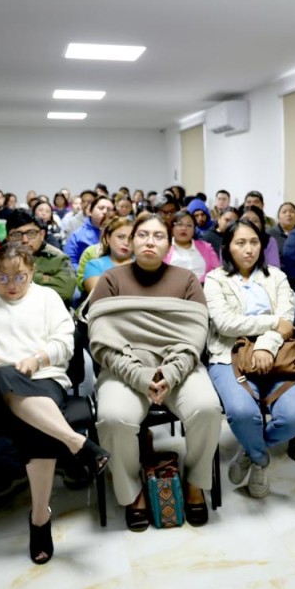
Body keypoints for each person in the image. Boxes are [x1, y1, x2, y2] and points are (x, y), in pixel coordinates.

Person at [0, 244, 109, 564]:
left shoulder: (47, 298)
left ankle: (40, 520)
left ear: (31, 273)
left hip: (43, 378)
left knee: (37, 426)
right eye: (2, 277)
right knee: (3, 375)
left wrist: (38, 358)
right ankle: (76, 443)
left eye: (19, 277)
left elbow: (64, 342)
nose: (11, 285)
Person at [87, 213, 222, 531]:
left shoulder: (186, 279)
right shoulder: (111, 280)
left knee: (207, 408)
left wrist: (171, 373)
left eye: (158, 236)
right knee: (112, 417)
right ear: (130, 241)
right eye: (142, 235)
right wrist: (140, 376)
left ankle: (195, 482)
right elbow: (102, 343)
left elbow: (195, 337)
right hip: (125, 368)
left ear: (169, 243)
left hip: (180, 365)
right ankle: (132, 491)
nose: (150, 241)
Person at [204, 219, 295, 498]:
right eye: (240, 243)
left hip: (277, 354)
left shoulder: (277, 277)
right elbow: (225, 324)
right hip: (228, 354)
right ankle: (260, 459)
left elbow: (289, 321)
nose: (249, 249)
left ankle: (249, 449)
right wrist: (273, 323)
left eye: (254, 242)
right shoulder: (215, 279)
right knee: (241, 413)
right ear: (227, 247)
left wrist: (265, 346)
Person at [0, 209, 76, 304]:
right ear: (8, 238)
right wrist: (43, 278)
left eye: (31, 233)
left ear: (42, 235)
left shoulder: (59, 258)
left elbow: (66, 291)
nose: (24, 240)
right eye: (17, 235)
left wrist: (11, 278)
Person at [81, 216, 133, 297]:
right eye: (120, 237)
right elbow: (100, 296)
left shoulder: (143, 265)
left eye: (131, 238)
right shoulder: (95, 265)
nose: (126, 243)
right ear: (108, 238)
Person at [163, 210, 220, 283]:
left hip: (203, 290)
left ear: (194, 230)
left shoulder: (206, 247)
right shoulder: (164, 248)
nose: (184, 228)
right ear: (172, 228)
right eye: (179, 224)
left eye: (189, 225)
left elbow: (216, 272)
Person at [64, 195, 114, 268]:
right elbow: (69, 261)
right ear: (90, 211)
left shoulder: (118, 235)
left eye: (109, 209)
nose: (105, 212)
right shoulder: (77, 236)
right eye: (101, 208)